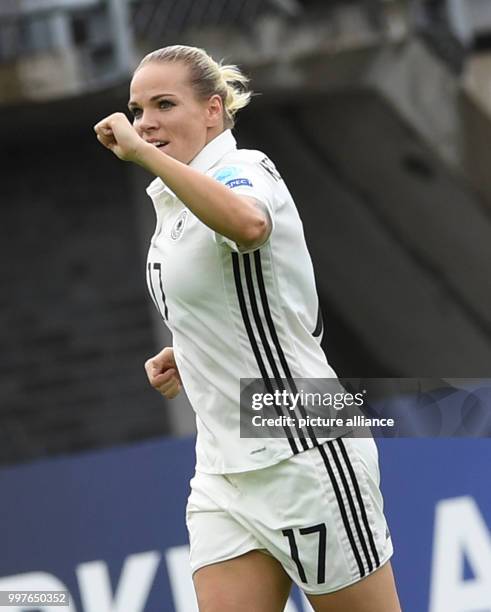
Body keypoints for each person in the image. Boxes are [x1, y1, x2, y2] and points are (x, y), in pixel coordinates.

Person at [94, 45, 401, 612]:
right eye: (137, 110)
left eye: (164, 104)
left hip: (303, 447)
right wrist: (189, 351)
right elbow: (246, 305)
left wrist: (141, 152)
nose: (146, 123)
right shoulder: (173, 201)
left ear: (214, 109)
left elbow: (250, 224)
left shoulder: (242, 168)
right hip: (222, 470)